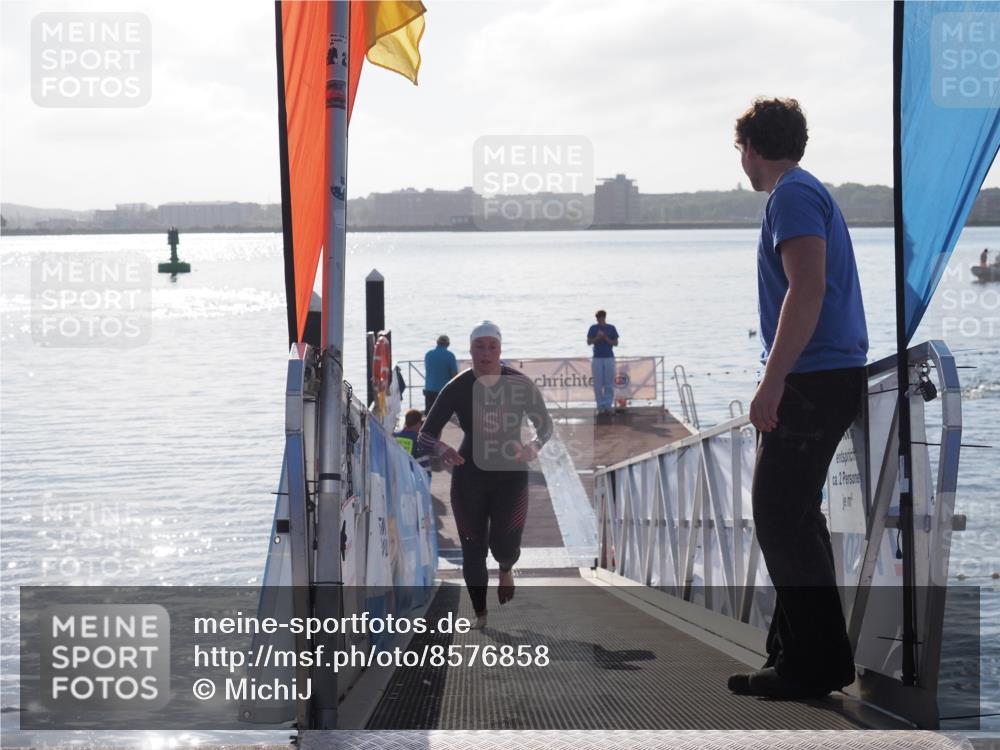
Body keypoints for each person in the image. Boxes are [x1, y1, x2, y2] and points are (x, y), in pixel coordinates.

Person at [729, 97, 869, 700]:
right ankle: (793, 655)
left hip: (812, 379)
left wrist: (774, 379)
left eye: (740, 149)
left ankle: (816, 664)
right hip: (822, 377)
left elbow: (806, 288)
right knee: (795, 519)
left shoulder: (790, 194)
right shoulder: (806, 190)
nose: (741, 160)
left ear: (752, 148)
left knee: (780, 517)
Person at [418, 321, 553, 629]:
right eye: (480, 346)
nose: (486, 353)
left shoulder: (520, 383)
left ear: (500, 350)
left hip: (512, 475)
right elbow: (425, 435)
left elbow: (545, 425)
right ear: (470, 350)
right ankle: (480, 614)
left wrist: (534, 445)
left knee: (503, 545)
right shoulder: (457, 387)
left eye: (492, 347)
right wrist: (442, 450)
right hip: (470, 475)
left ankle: (506, 567)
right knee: (472, 547)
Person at [586, 310, 619, 414]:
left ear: (604, 317)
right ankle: (600, 405)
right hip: (597, 358)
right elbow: (589, 342)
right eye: (598, 318)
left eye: (601, 317)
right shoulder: (593, 328)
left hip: (609, 357)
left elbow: (615, 343)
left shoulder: (611, 328)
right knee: (598, 383)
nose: (600, 319)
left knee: (609, 382)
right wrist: (598, 337)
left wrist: (605, 337)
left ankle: (608, 405)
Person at [423, 334, 459, 413]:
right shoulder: (450, 355)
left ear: (437, 342)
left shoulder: (428, 354)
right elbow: (454, 375)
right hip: (443, 391)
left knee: (429, 415)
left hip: (429, 389)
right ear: (448, 344)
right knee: (442, 415)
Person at [393, 409, 432, 478]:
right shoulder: (419, 439)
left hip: (402, 476)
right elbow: (432, 450)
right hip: (420, 477)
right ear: (418, 424)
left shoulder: (395, 436)